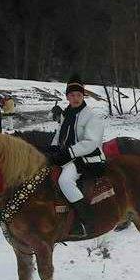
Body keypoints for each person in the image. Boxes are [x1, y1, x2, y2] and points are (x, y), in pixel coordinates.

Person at [46, 77, 106, 238]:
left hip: (86, 158)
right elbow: (60, 134)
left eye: (78, 95)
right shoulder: (66, 114)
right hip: (67, 156)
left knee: (64, 181)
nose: (75, 98)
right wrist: (52, 149)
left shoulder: (91, 116)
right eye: (71, 95)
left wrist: (69, 153)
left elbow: (91, 142)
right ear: (67, 97)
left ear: (83, 96)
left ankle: (85, 220)